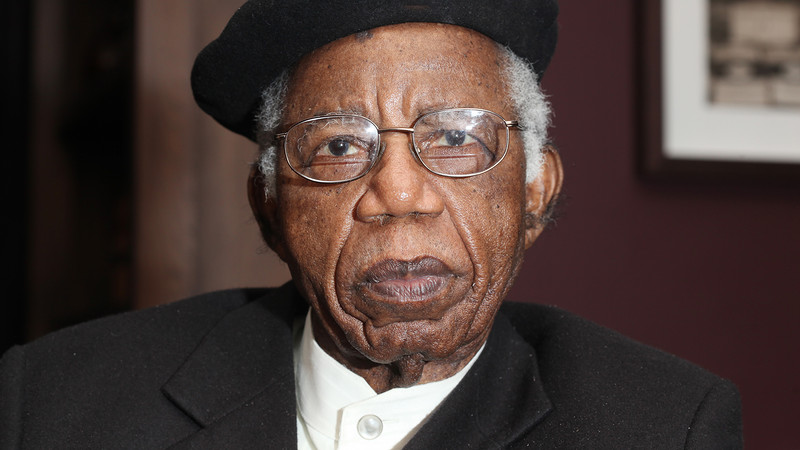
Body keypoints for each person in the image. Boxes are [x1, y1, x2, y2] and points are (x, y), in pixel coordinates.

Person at [1, 1, 742, 448]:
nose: (398, 194)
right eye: (337, 147)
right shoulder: (54, 403)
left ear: (534, 192)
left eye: (455, 138)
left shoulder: (666, 426)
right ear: (268, 207)